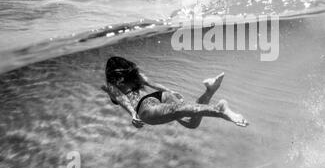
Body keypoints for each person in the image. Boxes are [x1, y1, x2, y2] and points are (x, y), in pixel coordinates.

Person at [101, 56, 248, 129]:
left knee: (185, 113)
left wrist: (133, 114)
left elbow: (122, 99)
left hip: (145, 107)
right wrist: (169, 91)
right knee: (191, 122)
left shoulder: (110, 84)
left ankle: (219, 110)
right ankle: (209, 91)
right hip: (160, 96)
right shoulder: (136, 75)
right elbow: (152, 84)